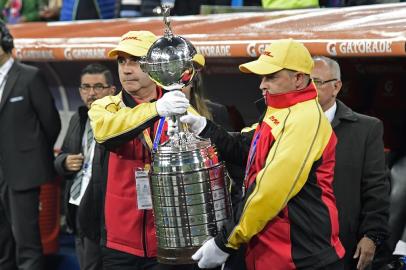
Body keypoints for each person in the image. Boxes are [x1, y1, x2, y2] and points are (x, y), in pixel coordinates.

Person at [172, 38, 344, 270]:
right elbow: (245, 147)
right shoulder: (280, 111)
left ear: (299, 79)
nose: (262, 85)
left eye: (271, 77)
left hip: (301, 255)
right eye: (262, 77)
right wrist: (205, 127)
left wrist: (226, 242)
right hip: (273, 250)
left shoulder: (305, 119)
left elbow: (269, 190)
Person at [88, 30, 202, 270]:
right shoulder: (105, 106)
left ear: (156, 65)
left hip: (171, 240)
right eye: (121, 61)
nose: (126, 69)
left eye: (136, 61)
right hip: (120, 244)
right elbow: (105, 134)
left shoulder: (179, 106)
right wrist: (156, 110)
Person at [311, 56, 390, 270]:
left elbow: (376, 188)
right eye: (305, 82)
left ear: (336, 87)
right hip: (298, 245)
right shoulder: (284, 125)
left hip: (344, 245)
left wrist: (372, 235)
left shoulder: (366, 129)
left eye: (316, 82)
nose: (309, 88)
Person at [0, 22, 61, 270]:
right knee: (2, 245)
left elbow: (51, 124)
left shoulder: (29, 76)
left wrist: (30, 156)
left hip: (23, 172)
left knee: (27, 244)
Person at [54, 63, 116, 270]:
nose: (92, 93)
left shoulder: (120, 122)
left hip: (104, 211)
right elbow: (62, 155)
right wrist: (64, 162)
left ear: (111, 91)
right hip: (77, 204)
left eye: (98, 86)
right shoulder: (78, 118)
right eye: (86, 87)